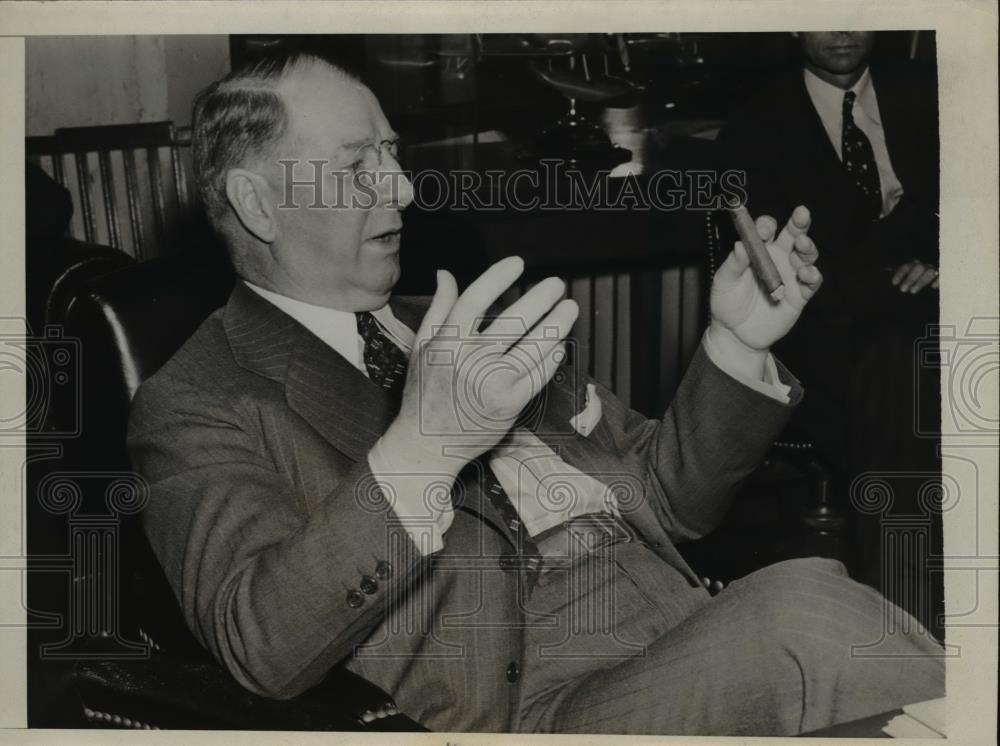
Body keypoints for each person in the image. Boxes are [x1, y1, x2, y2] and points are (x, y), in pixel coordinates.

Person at [127, 49, 944, 736]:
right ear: (258, 204)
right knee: (807, 611)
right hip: (533, 705)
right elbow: (257, 645)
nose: (403, 190)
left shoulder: (471, 321)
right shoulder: (197, 400)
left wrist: (736, 342)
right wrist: (425, 447)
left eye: (392, 155)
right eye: (356, 166)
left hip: (686, 633)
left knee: (833, 626)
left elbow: (674, 501)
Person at [715, 31, 943, 634]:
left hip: (939, 310)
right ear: (791, 24)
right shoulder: (755, 123)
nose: (841, 28)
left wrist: (946, 264)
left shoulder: (932, 92)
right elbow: (779, 278)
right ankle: (904, 614)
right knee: (900, 366)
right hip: (824, 330)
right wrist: (898, 285)